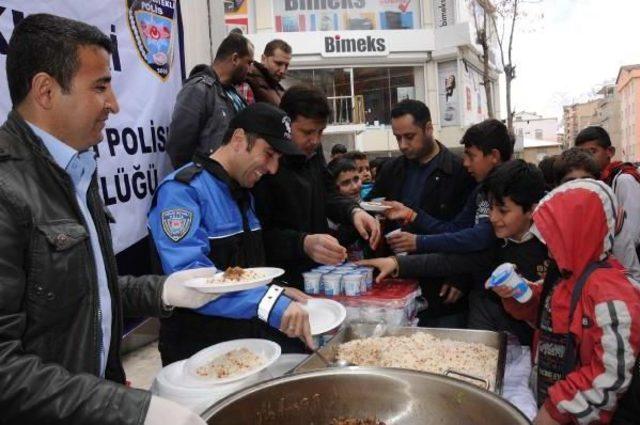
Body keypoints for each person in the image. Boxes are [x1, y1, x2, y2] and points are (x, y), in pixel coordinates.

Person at [0, 13, 218, 425]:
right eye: (100, 86)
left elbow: (78, 289)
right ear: (45, 91)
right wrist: (132, 411)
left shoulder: (77, 169)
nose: (114, 104)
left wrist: (164, 291)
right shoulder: (7, 189)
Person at [149, 103, 314, 364]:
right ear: (238, 139)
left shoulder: (241, 193)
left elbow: (241, 271)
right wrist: (270, 303)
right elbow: (192, 279)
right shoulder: (182, 192)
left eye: (278, 160)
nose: (272, 169)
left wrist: (275, 290)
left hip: (243, 346)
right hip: (198, 354)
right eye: (268, 154)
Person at [491, 179, 640, 425]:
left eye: (553, 235)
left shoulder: (610, 293)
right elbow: (546, 313)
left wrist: (556, 410)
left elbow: (611, 373)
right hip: (550, 395)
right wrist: (520, 296)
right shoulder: (564, 275)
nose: (545, 243)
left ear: (577, 233)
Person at [359, 160, 549, 345]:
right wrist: (396, 263)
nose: (493, 217)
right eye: (490, 208)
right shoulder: (494, 240)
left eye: (503, 210)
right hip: (490, 322)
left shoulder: (553, 246)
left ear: (531, 210)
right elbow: (451, 260)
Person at [253, 86, 381, 286]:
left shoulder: (313, 151)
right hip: (279, 278)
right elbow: (258, 234)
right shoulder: (264, 165)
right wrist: (302, 243)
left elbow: (329, 193)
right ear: (286, 124)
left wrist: (353, 211)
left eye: (320, 132)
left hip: (318, 272)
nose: (315, 140)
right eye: (307, 132)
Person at [552, 147, 640, 284]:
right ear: (558, 187)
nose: (580, 187)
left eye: (587, 181)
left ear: (598, 183)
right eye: (571, 182)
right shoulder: (547, 222)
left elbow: (632, 274)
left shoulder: (613, 220)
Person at [166, 32, 254, 168]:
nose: (251, 69)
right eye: (248, 62)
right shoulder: (198, 90)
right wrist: (197, 181)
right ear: (235, 59)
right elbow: (179, 146)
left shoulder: (234, 94)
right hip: (207, 182)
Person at [575, 126, 640, 260]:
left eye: (592, 151)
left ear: (609, 152)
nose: (586, 159)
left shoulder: (623, 180)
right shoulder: (597, 181)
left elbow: (632, 235)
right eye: (582, 154)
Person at [243, 39, 292, 106]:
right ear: (263, 59)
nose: (282, 70)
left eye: (286, 65)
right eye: (278, 63)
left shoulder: (277, 87)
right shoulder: (248, 82)